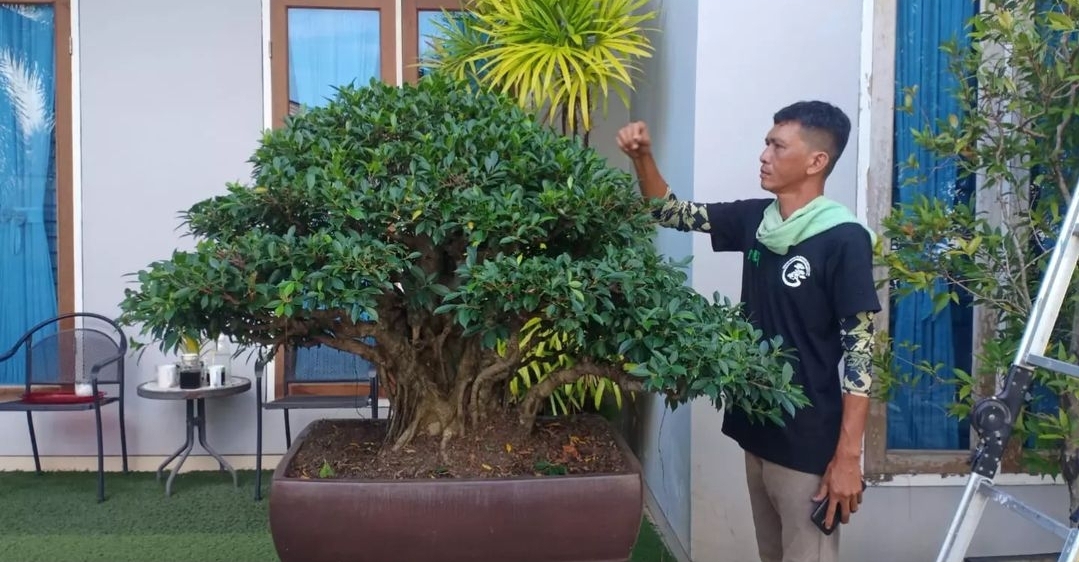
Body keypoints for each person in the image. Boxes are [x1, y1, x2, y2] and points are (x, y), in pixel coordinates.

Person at [616, 101, 881, 562]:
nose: (764, 155)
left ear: (816, 161)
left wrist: (847, 458)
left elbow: (860, 352)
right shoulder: (758, 220)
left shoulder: (845, 239)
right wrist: (642, 157)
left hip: (807, 440)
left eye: (778, 146)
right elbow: (671, 213)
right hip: (756, 426)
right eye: (766, 144)